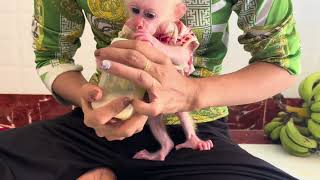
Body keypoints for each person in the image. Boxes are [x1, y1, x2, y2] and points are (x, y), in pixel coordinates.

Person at [0, 0, 300, 179]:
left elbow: (280, 62)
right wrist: (86, 98)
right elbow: (52, 57)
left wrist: (190, 93)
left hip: (193, 132)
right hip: (93, 126)